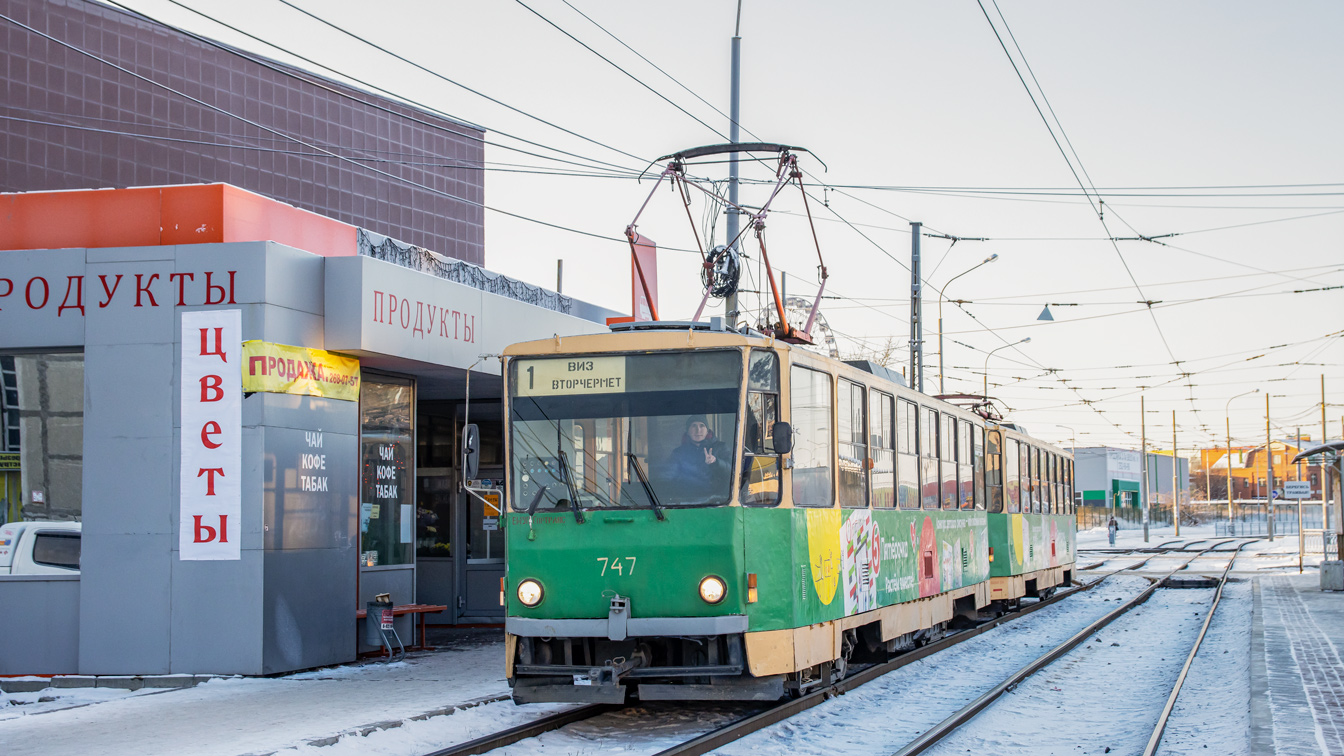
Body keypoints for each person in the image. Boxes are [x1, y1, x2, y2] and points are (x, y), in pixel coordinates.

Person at [667, 415, 731, 501]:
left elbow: (732, 471)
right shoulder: (678, 453)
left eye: (702, 425)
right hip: (687, 502)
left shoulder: (721, 447)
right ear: (688, 431)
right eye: (694, 426)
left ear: (707, 430)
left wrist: (716, 462)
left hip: (717, 502)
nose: (698, 430)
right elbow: (671, 478)